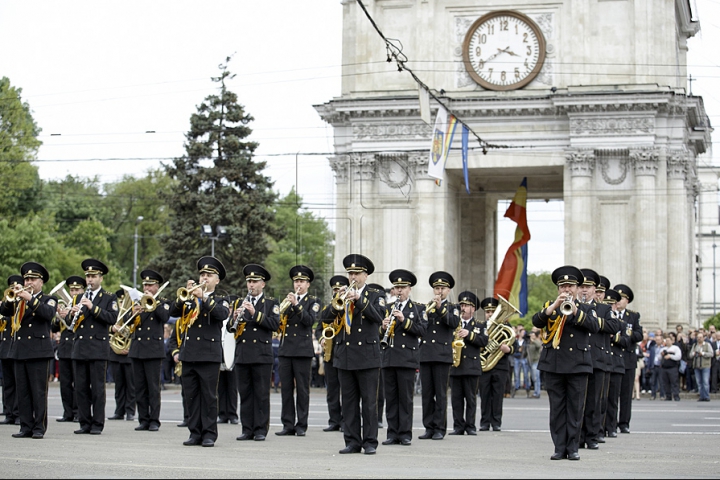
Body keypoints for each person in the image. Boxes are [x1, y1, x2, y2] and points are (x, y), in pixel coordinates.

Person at [532, 265, 599, 461]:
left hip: (578, 364)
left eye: (570, 286)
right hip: (554, 363)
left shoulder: (587, 308)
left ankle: (573, 447)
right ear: (558, 289)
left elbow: (594, 326)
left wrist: (576, 311)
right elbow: (537, 321)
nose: (567, 290)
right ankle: (559, 448)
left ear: (578, 288)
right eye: (563, 287)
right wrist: (553, 307)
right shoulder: (550, 306)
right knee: (557, 409)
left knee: (576, 408)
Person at [170, 256, 229, 447]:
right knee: (191, 396)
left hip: (209, 355)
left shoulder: (222, 298)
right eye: (202, 274)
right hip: (189, 354)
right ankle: (194, 432)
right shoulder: (190, 298)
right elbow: (172, 311)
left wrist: (203, 298)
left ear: (217, 280)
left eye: (209, 275)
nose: (204, 278)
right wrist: (184, 295)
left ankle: (209, 434)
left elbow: (221, 315)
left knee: (209, 396)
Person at [333, 254, 385, 455]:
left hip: (367, 356)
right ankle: (352, 441)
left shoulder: (375, 294)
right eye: (350, 273)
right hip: (345, 355)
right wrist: (338, 300)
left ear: (365, 275)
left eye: (357, 273)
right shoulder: (342, 293)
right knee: (348, 403)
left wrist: (360, 300)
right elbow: (328, 316)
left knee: (369, 403)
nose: (353, 277)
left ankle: (370, 442)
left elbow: (379, 317)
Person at [0, 263, 57, 439]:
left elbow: (48, 314)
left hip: (39, 351)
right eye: (26, 279)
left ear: (41, 282)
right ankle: (25, 426)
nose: (29, 282)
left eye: (32, 279)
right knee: (22, 391)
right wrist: (14, 296)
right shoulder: (18, 300)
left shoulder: (49, 299)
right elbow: (4, 310)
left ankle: (39, 427)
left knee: (38, 392)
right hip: (19, 350)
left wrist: (30, 299)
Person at [69, 259, 118, 435]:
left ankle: (97, 424)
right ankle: (84, 422)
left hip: (98, 349)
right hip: (80, 348)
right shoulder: (77, 297)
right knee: (80, 388)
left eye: (93, 276)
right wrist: (71, 314)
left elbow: (112, 318)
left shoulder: (109, 297)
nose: (90, 280)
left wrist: (93, 307)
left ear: (101, 278)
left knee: (97, 389)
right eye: (88, 276)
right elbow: (70, 325)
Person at [379, 269, 426, 446]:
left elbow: (422, 331)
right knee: (390, 398)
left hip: (407, 359)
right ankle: (392, 433)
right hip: (389, 358)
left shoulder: (418, 308)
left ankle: (405, 433)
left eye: (403, 287)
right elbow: (378, 333)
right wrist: (383, 327)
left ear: (409, 289)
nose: (399, 290)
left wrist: (404, 320)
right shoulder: (387, 308)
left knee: (405, 399)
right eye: (397, 287)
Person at [233, 264, 279, 442]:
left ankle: (260, 429)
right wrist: (235, 318)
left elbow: (274, 325)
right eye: (249, 282)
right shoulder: (239, 302)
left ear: (263, 284)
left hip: (261, 355)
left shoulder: (270, 303)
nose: (251, 285)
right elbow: (231, 328)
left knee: (260, 394)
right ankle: (247, 429)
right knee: (245, 393)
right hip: (243, 354)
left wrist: (255, 313)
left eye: (254, 282)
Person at [275, 265, 320, 437]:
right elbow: (278, 320)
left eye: (302, 281)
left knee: (302, 390)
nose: (298, 285)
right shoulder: (287, 301)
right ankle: (287, 424)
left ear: (308, 284)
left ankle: (301, 424)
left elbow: (309, 321)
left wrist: (296, 305)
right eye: (296, 282)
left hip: (302, 351)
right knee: (286, 389)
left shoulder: (313, 302)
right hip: (286, 349)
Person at [578, 268, 618, 450]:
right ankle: (577, 436)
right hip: (577, 359)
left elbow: (613, 326)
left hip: (597, 359)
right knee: (578, 401)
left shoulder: (603, 308)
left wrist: (592, 322)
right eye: (581, 286)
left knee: (595, 401)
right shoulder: (572, 306)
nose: (584, 290)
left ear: (595, 289)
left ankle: (592, 435)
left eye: (588, 287)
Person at [418, 271, 460, 440]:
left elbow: (453, 323)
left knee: (440, 394)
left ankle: (439, 428)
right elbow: (421, 327)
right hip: (426, 354)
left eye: (442, 288)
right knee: (427, 394)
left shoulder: (453, 308)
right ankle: (428, 427)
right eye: (436, 288)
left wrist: (440, 309)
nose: (439, 291)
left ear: (448, 290)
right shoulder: (425, 307)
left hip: (442, 355)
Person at [127, 269, 170, 432]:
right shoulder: (136, 302)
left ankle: (154, 420)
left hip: (153, 350)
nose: (147, 288)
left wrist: (153, 301)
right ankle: (143, 419)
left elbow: (165, 317)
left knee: (153, 387)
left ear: (156, 286)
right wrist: (133, 313)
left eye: (150, 285)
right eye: (145, 285)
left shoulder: (162, 301)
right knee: (139, 387)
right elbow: (126, 322)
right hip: (137, 349)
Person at [448, 291, 488, 436]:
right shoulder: (454, 324)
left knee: (470, 398)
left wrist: (469, 334)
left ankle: (470, 426)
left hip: (471, 367)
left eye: (466, 305)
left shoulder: (480, 325)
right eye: (462, 305)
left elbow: (484, 341)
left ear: (473, 309)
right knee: (456, 399)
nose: (463, 308)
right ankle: (458, 426)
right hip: (455, 366)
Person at [317, 275, 348, 432]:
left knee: (346, 390)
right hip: (329, 352)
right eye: (335, 290)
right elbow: (318, 329)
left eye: (340, 289)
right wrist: (321, 338)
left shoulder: (348, 308)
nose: (337, 292)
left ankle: (345, 421)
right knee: (332, 390)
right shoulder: (327, 309)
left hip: (343, 352)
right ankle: (334, 420)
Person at [477, 297, 514, 432]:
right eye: (488, 312)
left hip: (500, 365)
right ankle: (485, 422)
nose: (490, 314)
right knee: (485, 395)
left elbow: (512, 345)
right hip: (484, 365)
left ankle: (496, 422)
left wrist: (508, 349)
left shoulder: (506, 327)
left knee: (498, 395)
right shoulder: (480, 326)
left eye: (493, 311)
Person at [52, 275, 85, 423]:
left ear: (83, 290)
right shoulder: (66, 304)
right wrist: (58, 315)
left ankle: (78, 412)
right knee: (65, 383)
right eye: (71, 290)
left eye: (77, 289)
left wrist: (71, 314)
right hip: (65, 347)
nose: (73, 293)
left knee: (78, 383)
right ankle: (68, 412)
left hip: (77, 346)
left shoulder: (84, 305)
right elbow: (54, 328)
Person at [613, 284, 642, 434]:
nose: (618, 301)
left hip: (628, 359)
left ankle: (624, 423)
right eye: (617, 298)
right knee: (612, 394)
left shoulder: (633, 316)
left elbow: (639, 335)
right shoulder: (609, 313)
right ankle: (610, 423)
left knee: (626, 394)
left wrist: (627, 333)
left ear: (627, 300)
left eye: (622, 298)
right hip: (613, 358)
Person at [108, 288, 136, 422]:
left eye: (123, 300)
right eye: (120, 300)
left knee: (130, 385)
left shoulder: (132, 314)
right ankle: (119, 411)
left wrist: (129, 347)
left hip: (128, 354)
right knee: (118, 385)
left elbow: (134, 332)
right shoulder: (114, 315)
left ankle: (130, 411)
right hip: (115, 353)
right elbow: (107, 331)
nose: (121, 302)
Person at [603, 289, 625, 439]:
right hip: (603, 360)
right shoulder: (602, 316)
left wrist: (614, 338)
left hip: (616, 361)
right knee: (600, 398)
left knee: (613, 399)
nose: (610, 306)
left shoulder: (621, 322)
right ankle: (600, 427)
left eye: (612, 304)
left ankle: (611, 427)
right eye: (607, 304)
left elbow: (627, 341)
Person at [0, 275, 22, 426]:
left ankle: (19, 413)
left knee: (19, 383)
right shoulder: (7, 304)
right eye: (12, 288)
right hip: (6, 346)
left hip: (19, 347)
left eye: (17, 287)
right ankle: (9, 413)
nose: (14, 290)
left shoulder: (24, 303)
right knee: (7, 383)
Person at [217, 294, 239, 425]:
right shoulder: (220, 319)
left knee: (232, 386)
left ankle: (232, 414)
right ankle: (222, 414)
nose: (229, 309)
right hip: (220, 352)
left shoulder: (234, 320)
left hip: (231, 354)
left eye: (231, 307)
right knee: (220, 387)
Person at [691, 332, 713, 401]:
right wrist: (693, 354)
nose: (699, 339)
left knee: (705, 382)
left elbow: (711, 354)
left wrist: (703, 353)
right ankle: (701, 396)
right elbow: (690, 355)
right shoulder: (695, 345)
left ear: (703, 338)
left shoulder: (707, 345)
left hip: (705, 366)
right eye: (698, 337)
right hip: (697, 366)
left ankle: (706, 396)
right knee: (699, 382)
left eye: (700, 337)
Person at [659, 336, 681, 401]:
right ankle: (668, 396)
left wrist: (670, 356)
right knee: (666, 383)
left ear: (672, 341)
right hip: (664, 368)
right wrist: (661, 354)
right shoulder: (663, 349)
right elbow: (658, 358)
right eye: (666, 341)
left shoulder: (675, 348)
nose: (667, 342)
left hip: (672, 367)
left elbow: (678, 357)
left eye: (669, 340)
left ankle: (676, 395)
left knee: (674, 382)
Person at [526, 330, 542, 398]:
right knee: (533, 378)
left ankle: (537, 393)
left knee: (536, 378)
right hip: (530, 362)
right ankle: (535, 392)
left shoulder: (536, 342)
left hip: (536, 362)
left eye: (533, 335)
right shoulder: (529, 343)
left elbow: (539, 346)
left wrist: (534, 340)